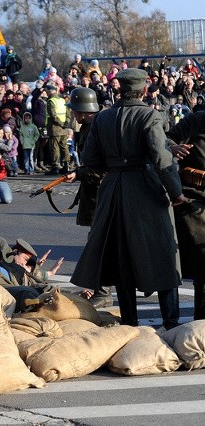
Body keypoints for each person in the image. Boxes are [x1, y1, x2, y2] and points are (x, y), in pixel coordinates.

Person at [70, 68, 187, 330]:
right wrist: (176, 190)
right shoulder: (149, 115)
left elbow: (90, 160)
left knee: (122, 256)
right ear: (144, 90)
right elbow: (160, 157)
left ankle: (130, 321)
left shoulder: (102, 118)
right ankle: (171, 322)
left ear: (119, 89)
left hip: (112, 189)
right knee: (164, 252)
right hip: (145, 188)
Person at [62, 87, 111, 308]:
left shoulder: (96, 128)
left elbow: (102, 167)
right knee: (101, 241)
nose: (73, 114)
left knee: (99, 243)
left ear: (81, 111)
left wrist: (79, 173)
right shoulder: (91, 127)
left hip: (103, 192)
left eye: (75, 110)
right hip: (97, 191)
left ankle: (102, 291)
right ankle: (99, 288)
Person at [166, 109, 205, 320]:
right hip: (194, 196)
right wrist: (174, 147)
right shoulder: (197, 119)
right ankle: (201, 322)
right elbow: (166, 138)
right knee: (203, 264)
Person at [44, 84, 71, 174]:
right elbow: (68, 113)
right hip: (63, 128)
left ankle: (55, 166)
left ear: (51, 91)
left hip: (54, 128)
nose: (46, 93)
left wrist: (60, 124)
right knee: (64, 147)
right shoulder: (62, 100)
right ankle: (66, 165)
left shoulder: (51, 101)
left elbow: (53, 115)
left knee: (54, 147)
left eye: (47, 91)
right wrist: (65, 123)